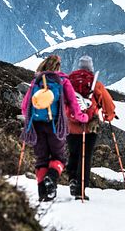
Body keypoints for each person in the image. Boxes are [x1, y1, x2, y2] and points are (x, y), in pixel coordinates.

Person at [21, 54, 89, 201]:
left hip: (37, 126)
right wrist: (83, 117)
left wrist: (32, 120)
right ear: (58, 67)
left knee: (41, 159)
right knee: (59, 158)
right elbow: (73, 104)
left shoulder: (36, 81)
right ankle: (51, 179)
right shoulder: (63, 81)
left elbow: (24, 107)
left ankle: (43, 194)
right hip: (56, 125)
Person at [66, 55, 116, 200]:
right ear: (91, 68)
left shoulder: (68, 82)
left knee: (74, 154)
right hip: (89, 127)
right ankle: (81, 190)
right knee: (85, 156)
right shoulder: (96, 85)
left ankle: (72, 180)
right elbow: (108, 105)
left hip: (71, 125)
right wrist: (109, 116)